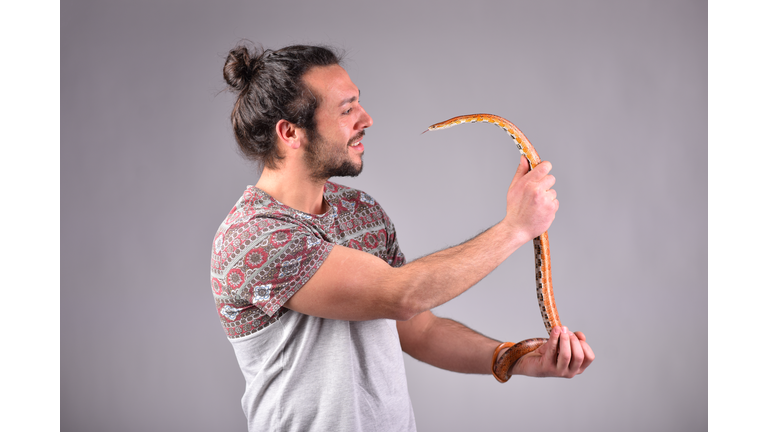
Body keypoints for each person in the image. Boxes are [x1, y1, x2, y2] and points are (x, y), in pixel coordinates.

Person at [211, 43, 594, 432]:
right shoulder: (254, 238)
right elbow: (401, 296)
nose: (367, 119)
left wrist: (513, 358)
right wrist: (516, 228)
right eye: (347, 110)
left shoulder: (360, 210)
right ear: (290, 132)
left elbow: (419, 329)